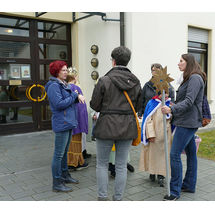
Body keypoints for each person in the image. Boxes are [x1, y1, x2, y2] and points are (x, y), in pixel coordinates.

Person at [90, 46, 142, 201]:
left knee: (102, 164)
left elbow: (95, 105)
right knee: (121, 166)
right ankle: (118, 199)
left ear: (113, 61)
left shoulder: (104, 80)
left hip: (106, 126)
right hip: (127, 127)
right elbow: (138, 106)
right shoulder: (136, 81)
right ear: (127, 61)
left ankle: (102, 197)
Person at [161, 54, 206, 201]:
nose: (178, 63)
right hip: (188, 120)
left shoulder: (194, 78)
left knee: (174, 154)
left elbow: (189, 101)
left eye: (181, 61)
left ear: (189, 63)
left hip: (187, 123)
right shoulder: (191, 78)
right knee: (191, 154)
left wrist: (171, 110)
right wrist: (174, 104)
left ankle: (174, 191)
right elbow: (186, 100)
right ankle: (188, 185)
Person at [45, 60, 85, 192]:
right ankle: (56, 183)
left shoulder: (63, 84)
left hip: (68, 122)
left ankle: (65, 175)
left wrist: (76, 95)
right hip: (61, 123)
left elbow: (69, 100)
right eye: (63, 70)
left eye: (66, 70)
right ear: (56, 72)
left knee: (64, 154)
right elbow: (59, 104)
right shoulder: (53, 86)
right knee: (58, 154)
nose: (66, 72)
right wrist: (74, 94)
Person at [139, 92, 172, 187]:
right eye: (164, 94)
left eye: (167, 94)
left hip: (166, 135)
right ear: (159, 94)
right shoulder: (152, 103)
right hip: (155, 135)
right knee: (153, 155)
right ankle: (152, 172)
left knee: (164, 156)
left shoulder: (169, 104)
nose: (166, 96)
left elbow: (172, 118)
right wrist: (150, 134)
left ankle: (161, 175)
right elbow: (148, 120)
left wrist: (169, 113)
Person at [65, 67, 89, 171]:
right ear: (75, 77)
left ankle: (68, 161)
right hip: (76, 120)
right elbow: (81, 107)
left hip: (66, 121)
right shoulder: (76, 88)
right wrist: (83, 122)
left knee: (68, 142)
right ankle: (76, 162)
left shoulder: (64, 87)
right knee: (76, 142)